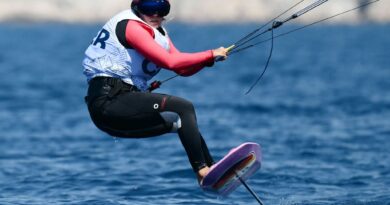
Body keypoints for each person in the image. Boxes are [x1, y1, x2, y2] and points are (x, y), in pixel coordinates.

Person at [82, 0, 228, 183]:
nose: (156, 15)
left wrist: (207, 61)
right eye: (150, 9)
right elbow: (170, 62)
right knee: (183, 108)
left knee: (182, 122)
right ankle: (202, 171)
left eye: (162, 9)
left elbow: (182, 69)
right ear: (137, 7)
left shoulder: (160, 34)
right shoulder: (131, 26)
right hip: (108, 102)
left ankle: (212, 170)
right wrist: (209, 54)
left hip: (118, 108)